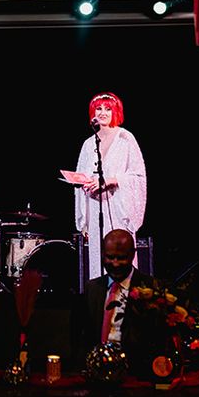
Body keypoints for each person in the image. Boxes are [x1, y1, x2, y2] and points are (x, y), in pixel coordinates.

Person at [70, 229, 170, 379]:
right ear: (103, 254)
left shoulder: (152, 288)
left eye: (121, 258)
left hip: (136, 377)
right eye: (110, 257)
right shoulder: (92, 288)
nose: (115, 264)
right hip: (97, 377)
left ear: (133, 255)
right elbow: (82, 338)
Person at [73, 91, 146, 280]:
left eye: (108, 109)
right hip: (96, 207)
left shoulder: (125, 138)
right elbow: (83, 174)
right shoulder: (88, 144)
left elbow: (138, 175)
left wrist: (112, 180)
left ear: (116, 112)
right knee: (98, 259)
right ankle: (100, 304)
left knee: (119, 254)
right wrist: (83, 182)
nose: (103, 113)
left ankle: (123, 303)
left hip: (118, 206)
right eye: (99, 109)